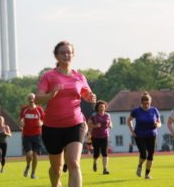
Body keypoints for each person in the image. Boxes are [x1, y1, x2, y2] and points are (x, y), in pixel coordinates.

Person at [36, 41, 96, 187]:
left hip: (75, 124)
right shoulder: (48, 76)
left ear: (73, 55)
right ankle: (56, 184)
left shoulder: (79, 77)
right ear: (56, 56)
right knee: (56, 170)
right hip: (52, 127)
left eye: (69, 52)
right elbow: (38, 99)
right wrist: (51, 95)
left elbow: (87, 93)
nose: (66, 55)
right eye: (62, 52)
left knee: (74, 163)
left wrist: (90, 97)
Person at [127, 92, 161, 179]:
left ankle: (147, 174)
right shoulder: (136, 111)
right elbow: (129, 120)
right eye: (144, 103)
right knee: (143, 154)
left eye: (148, 103)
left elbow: (159, 122)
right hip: (139, 135)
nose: (146, 105)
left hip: (152, 135)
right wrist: (132, 130)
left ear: (150, 102)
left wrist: (157, 125)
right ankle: (140, 165)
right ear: (141, 103)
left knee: (151, 155)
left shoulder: (154, 110)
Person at [19, 93, 45, 179]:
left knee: (35, 155)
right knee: (29, 154)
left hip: (36, 135)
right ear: (28, 100)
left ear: (35, 99)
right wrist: (21, 122)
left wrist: (41, 123)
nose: (31, 100)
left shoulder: (39, 109)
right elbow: (21, 119)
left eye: (32, 98)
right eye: (29, 98)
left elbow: (43, 121)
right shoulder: (24, 109)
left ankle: (33, 173)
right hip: (26, 135)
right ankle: (28, 165)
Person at [88, 100, 113, 174]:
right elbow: (89, 124)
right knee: (96, 153)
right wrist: (95, 126)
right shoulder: (94, 115)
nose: (102, 108)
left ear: (105, 107)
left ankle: (105, 169)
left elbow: (110, 123)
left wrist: (110, 125)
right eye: (100, 107)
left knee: (105, 153)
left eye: (103, 106)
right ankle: (95, 162)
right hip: (95, 136)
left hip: (105, 136)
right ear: (97, 108)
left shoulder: (108, 115)